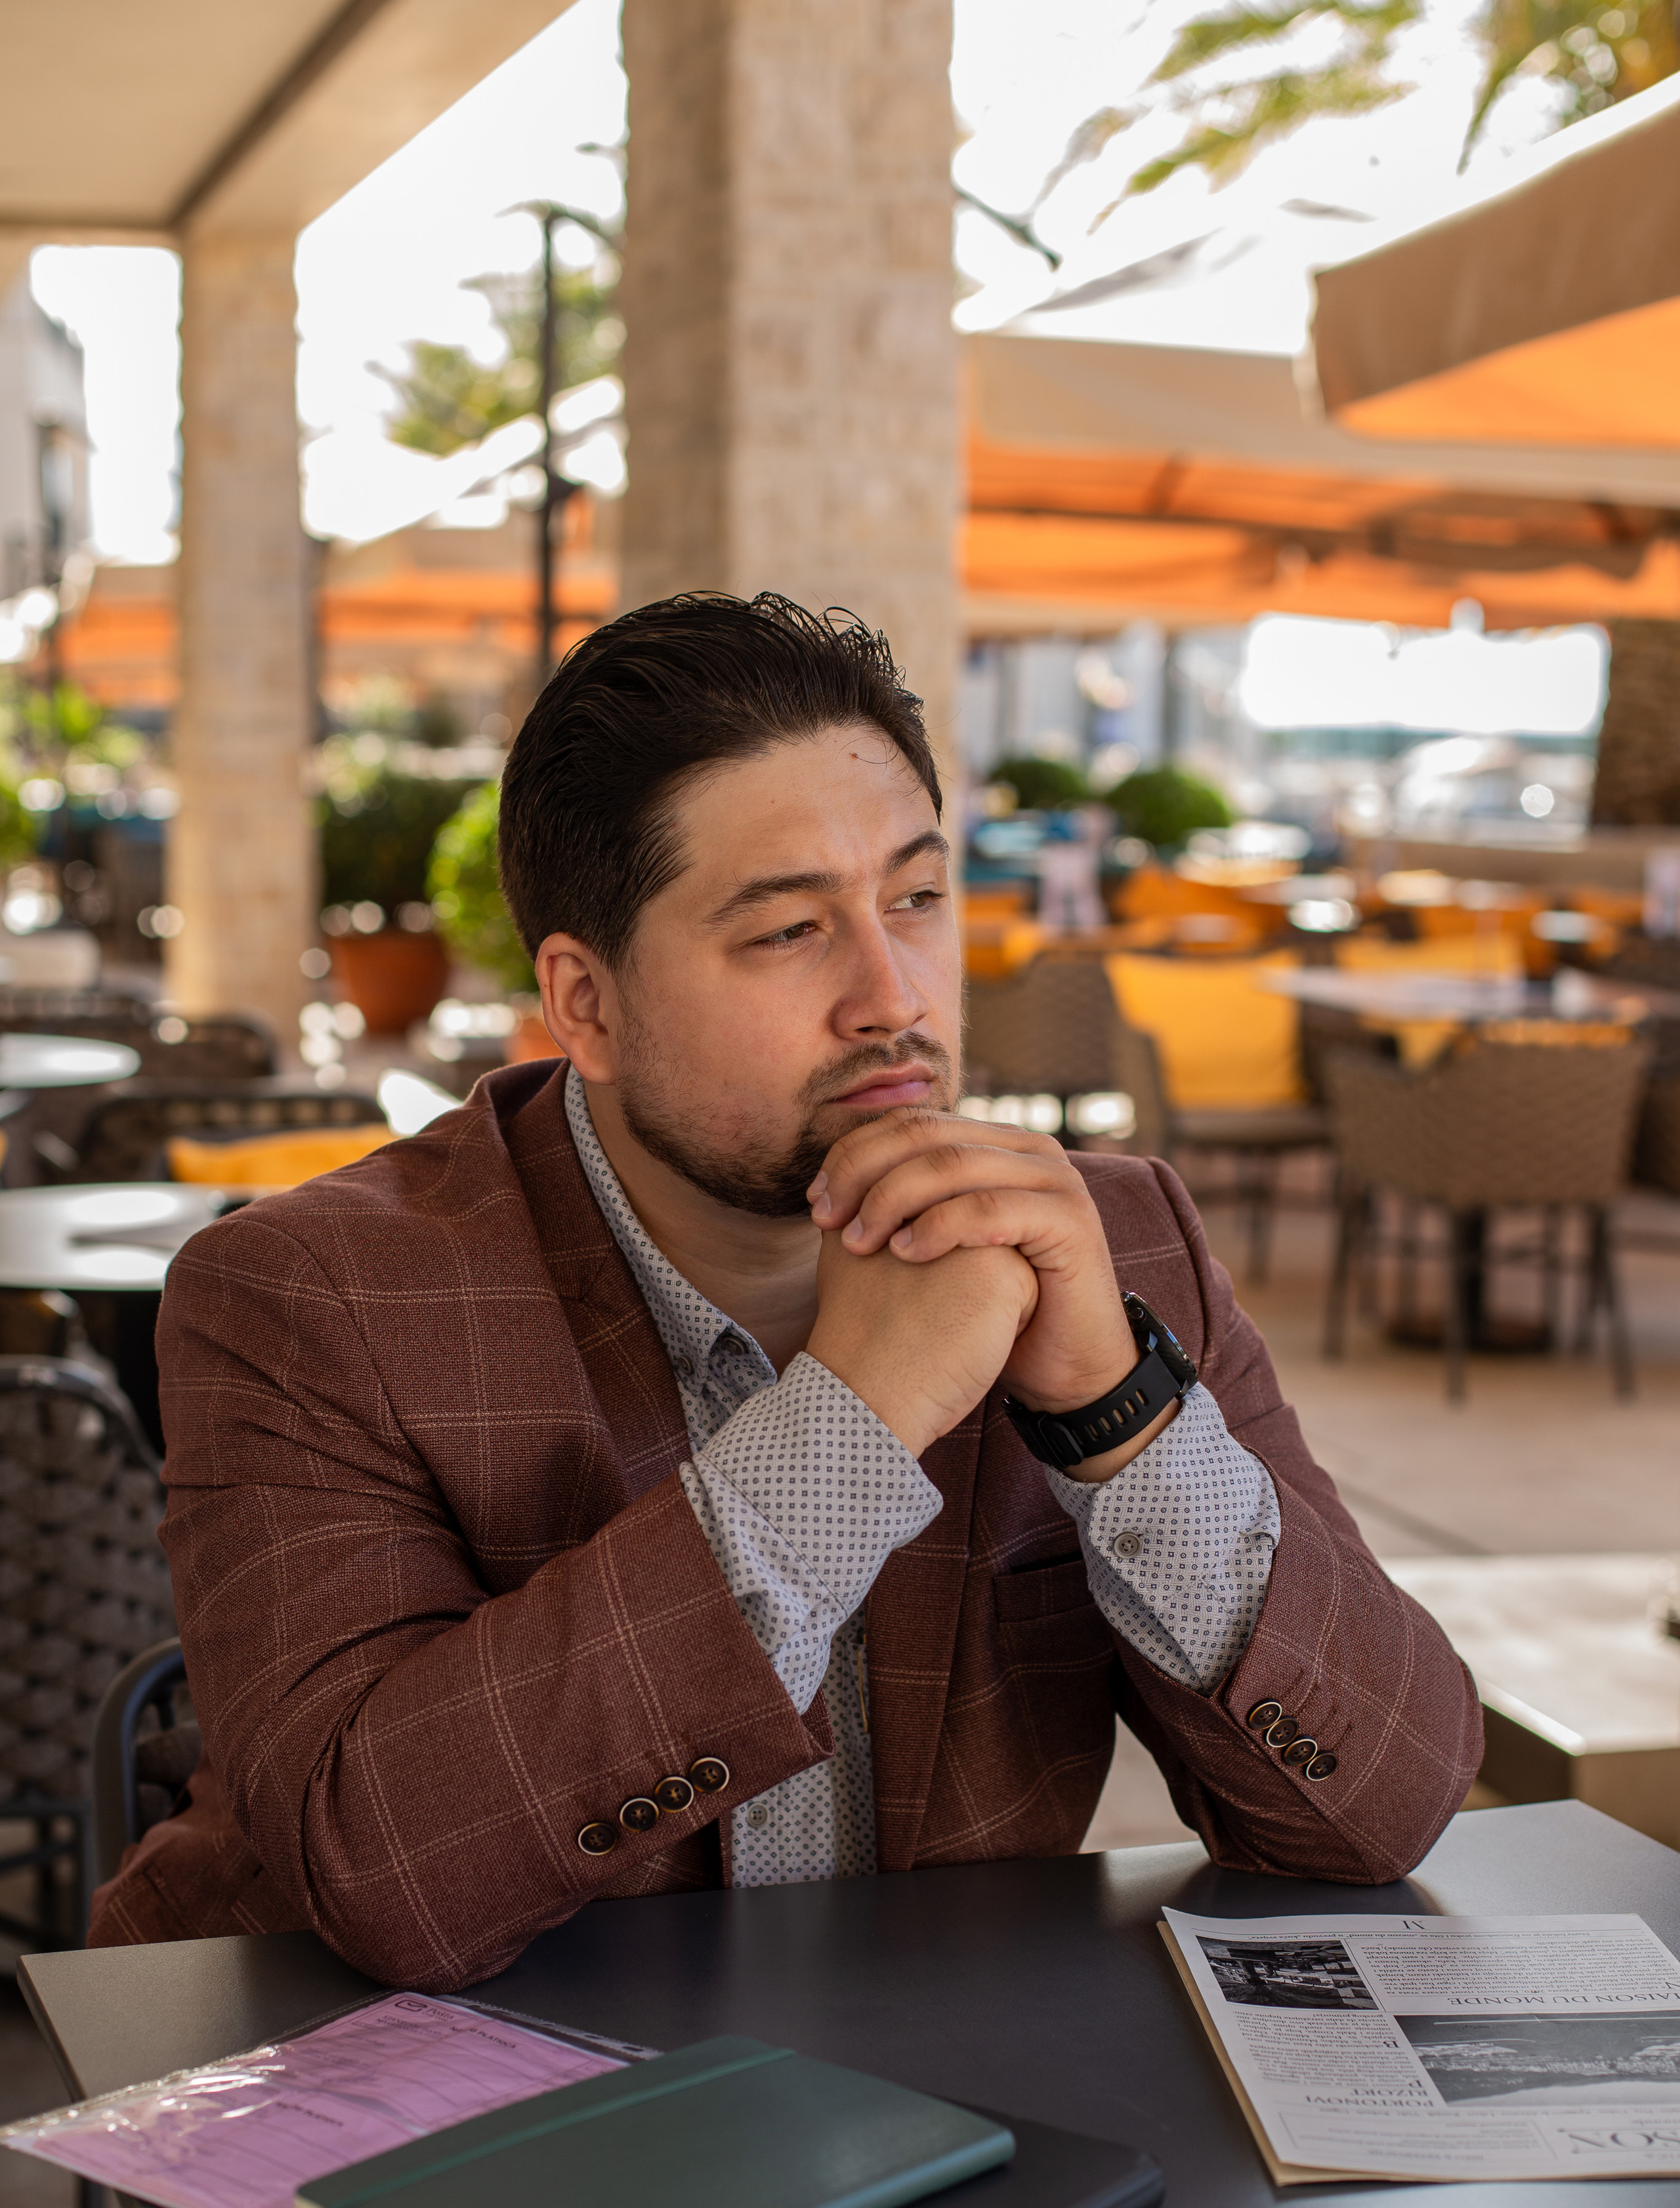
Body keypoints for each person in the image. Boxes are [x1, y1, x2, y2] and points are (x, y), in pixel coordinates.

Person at [91, 592, 1480, 1991]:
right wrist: (853, 1423)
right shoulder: (306, 1297)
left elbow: (1382, 1805)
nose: (892, 996)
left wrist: (1114, 1413)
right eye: (785, 933)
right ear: (585, 1004)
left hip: (917, 2114)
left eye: (917, 898)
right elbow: (380, 1873)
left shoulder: (1106, 1246)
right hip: (391, 2118)